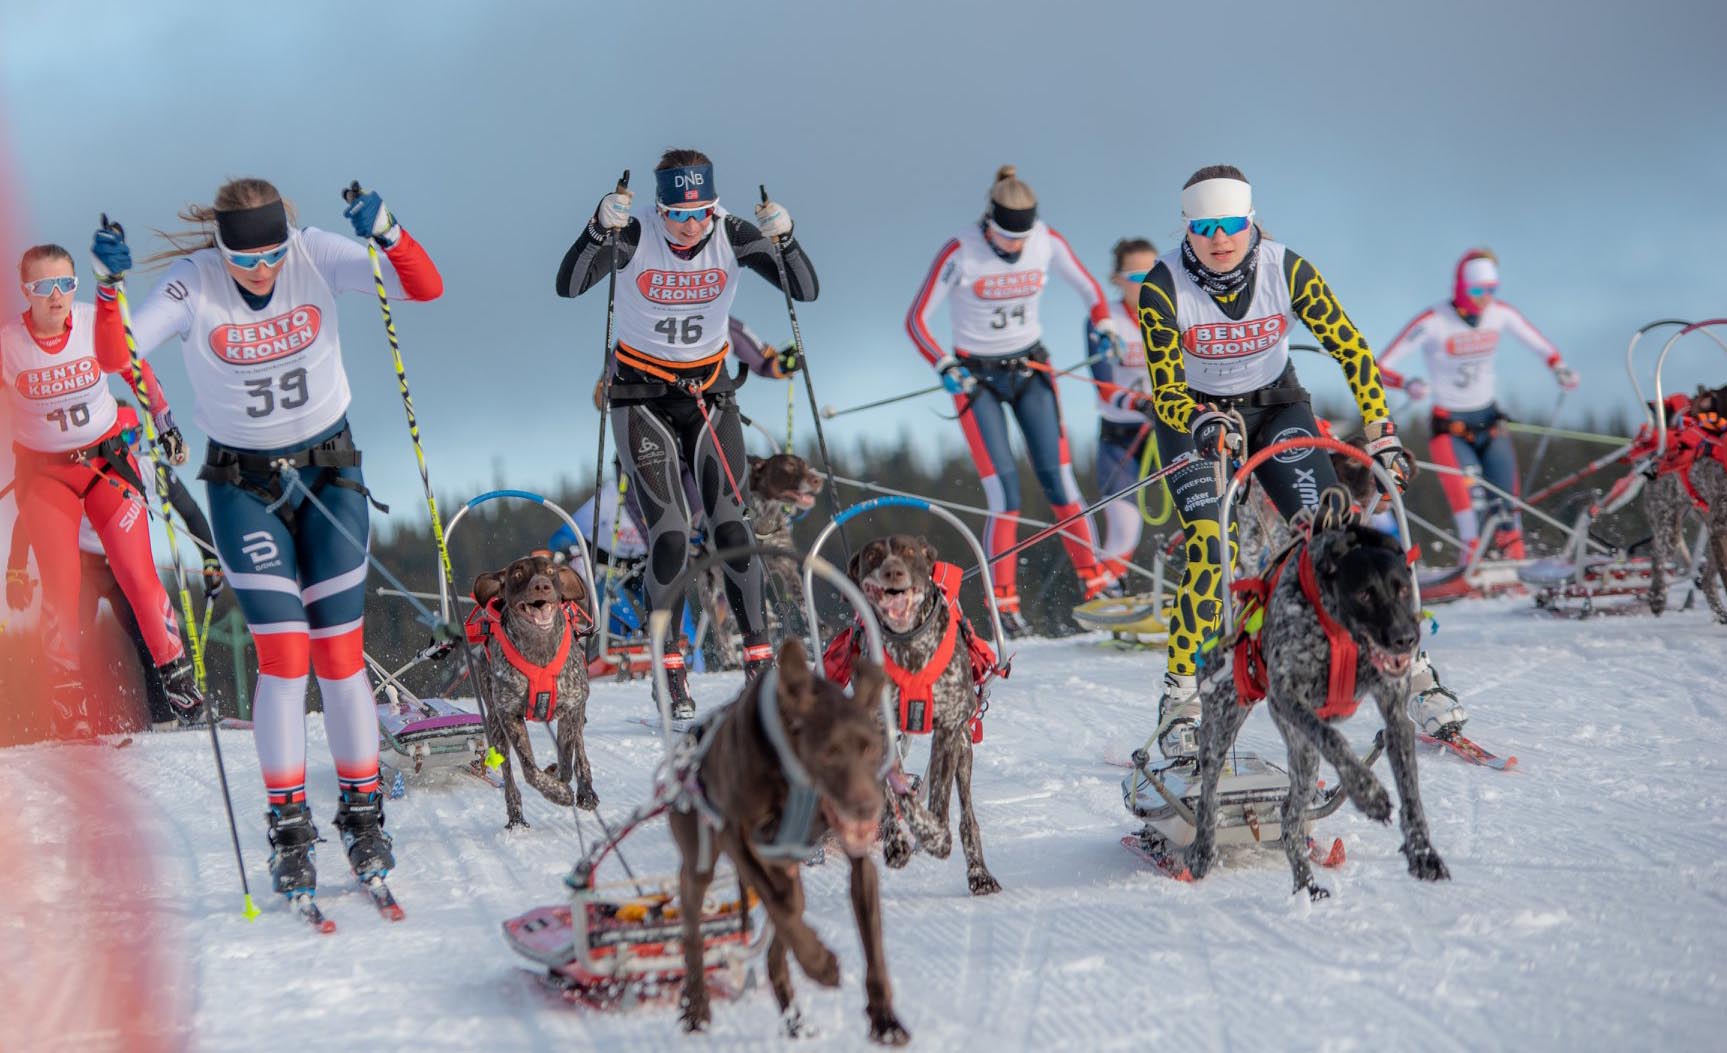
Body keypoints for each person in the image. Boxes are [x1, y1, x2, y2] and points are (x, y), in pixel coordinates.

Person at [91, 177, 443, 901]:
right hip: (242, 488)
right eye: (244, 259)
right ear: (220, 247)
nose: (261, 271)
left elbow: (424, 288)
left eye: (271, 255)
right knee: (284, 655)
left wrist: (390, 233)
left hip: (329, 476)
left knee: (340, 653)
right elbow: (115, 356)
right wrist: (105, 289)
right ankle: (287, 825)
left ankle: (363, 811)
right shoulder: (195, 284)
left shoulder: (313, 253)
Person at [1134, 165, 1415, 758]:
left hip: (1278, 408)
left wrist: (1381, 431)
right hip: (1197, 420)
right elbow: (1165, 387)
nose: (1220, 238)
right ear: (1187, 228)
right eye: (1205, 226)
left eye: (1231, 224)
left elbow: (1351, 347)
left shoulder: (1286, 269)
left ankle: (1407, 666)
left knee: (1335, 539)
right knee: (1213, 551)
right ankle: (1180, 695)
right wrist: (1203, 419)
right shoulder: (1162, 287)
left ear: (1251, 220)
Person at [556, 148, 818, 719]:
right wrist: (599, 229)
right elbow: (570, 284)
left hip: (709, 397)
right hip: (640, 399)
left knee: (733, 529)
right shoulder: (635, 234)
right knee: (671, 536)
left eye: (700, 212)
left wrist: (788, 237)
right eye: (677, 214)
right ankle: (669, 670)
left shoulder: (731, 233)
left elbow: (806, 291)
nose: (689, 226)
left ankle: (759, 665)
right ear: (660, 207)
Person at [907, 165, 1120, 635]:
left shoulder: (1046, 240)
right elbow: (917, 320)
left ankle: (1098, 586)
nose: (1014, 248)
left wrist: (1104, 325)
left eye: (1020, 240)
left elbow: (1091, 291)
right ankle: (1004, 607)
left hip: (1030, 370)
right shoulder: (961, 250)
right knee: (1005, 496)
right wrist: (944, 364)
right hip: (976, 379)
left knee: (1060, 482)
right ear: (989, 224)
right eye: (1005, 238)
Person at [2, 243, 200, 735]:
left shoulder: (93, 321)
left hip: (108, 465)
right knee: (63, 585)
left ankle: (182, 690)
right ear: (25, 291)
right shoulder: (9, 344)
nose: (57, 297)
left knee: (137, 573)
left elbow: (137, 369)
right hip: (47, 478)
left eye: (66, 284)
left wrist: (166, 422)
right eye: (44, 287)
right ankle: (69, 703)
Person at [7, 402, 221, 729]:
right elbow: (28, 518)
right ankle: (70, 719)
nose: (129, 444)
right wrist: (16, 570)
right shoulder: (81, 463)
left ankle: (170, 720)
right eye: (122, 437)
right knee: (72, 640)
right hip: (83, 568)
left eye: (133, 435)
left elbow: (190, 514)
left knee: (148, 640)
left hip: (125, 571)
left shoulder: (150, 469)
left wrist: (210, 560)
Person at [1378, 248, 1578, 563]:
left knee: (1508, 512)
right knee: (1471, 515)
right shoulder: (1434, 321)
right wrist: (1408, 384)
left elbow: (1540, 345)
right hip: (1450, 429)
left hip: (1490, 423)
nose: (1484, 298)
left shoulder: (1501, 314)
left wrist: (1559, 367)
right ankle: (1469, 566)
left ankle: (1516, 571)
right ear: (1461, 288)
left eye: (1491, 290)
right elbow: (1379, 365)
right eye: (1476, 290)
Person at [1088, 237, 1160, 591]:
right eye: (1136, 277)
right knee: (1126, 526)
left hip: (1171, 431)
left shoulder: (1176, 311)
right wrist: (1139, 403)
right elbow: (1103, 391)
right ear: (1116, 280)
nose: (1146, 283)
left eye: (1154, 272)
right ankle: (1107, 593)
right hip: (1122, 437)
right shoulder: (1105, 321)